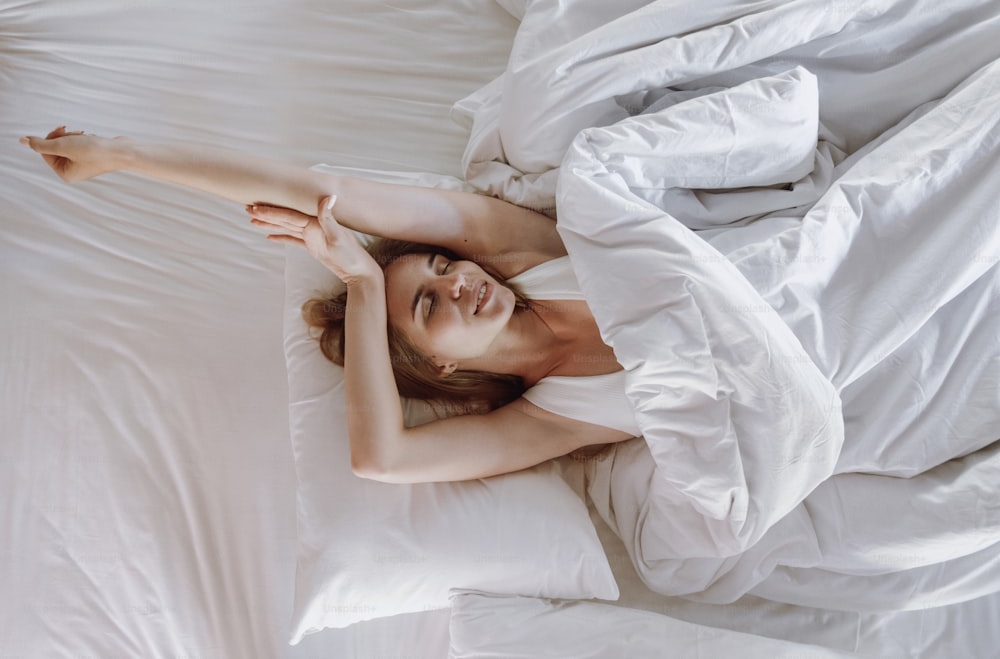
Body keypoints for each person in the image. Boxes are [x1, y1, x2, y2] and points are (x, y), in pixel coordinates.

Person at [20, 126, 638, 483]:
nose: (457, 283)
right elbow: (381, 458)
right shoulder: (548, 421)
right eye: (428, 305)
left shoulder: (525, 252)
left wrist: (127, 156)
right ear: (438, 365)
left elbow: (317, 192)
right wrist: (364, 285)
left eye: (444, 265)